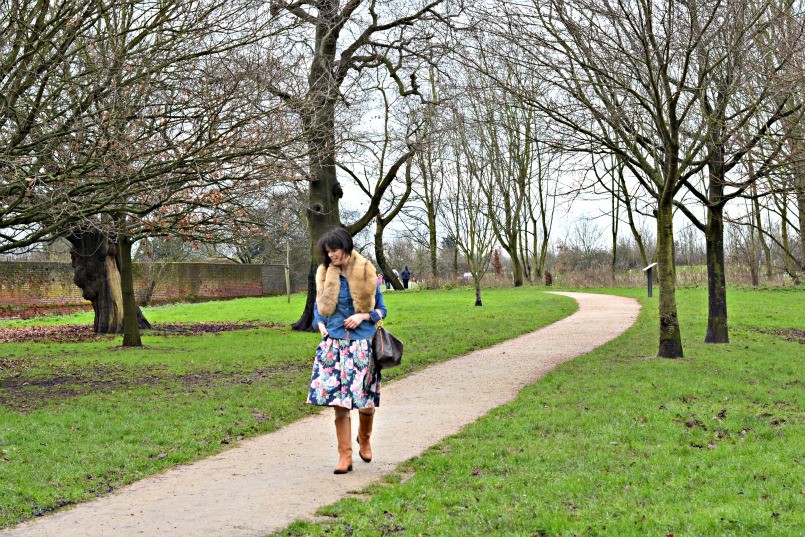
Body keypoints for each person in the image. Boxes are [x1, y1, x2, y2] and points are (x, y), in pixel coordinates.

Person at [308, 228, 387, 474]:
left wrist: (363, 316)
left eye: (335, 250)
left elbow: (382, 310)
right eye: (328, 251)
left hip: (361, 345)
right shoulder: (323, 274)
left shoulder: (366, 271)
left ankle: (364, 438)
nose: (331, 255)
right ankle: (345, 457)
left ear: (346, 246)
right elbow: (318, 309)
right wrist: (320, 323)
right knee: (339, 404)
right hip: (333, 346)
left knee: (365, 403)